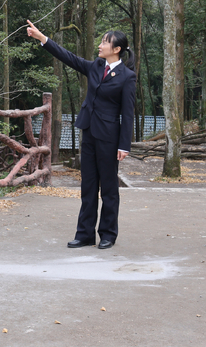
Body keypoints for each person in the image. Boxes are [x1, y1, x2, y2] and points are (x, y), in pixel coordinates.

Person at [25, 19, 136, 249]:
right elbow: (69, 58)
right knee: (88, 186)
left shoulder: (127, 76)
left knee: (108, 188)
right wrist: (42, 39)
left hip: (109, 137)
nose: (100, 45)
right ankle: (84, 234)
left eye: (105, 42)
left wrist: (124, 145)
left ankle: (107, 234)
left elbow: (128, 113)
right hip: (89, 133)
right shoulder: (96, 65)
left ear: (116, 49)